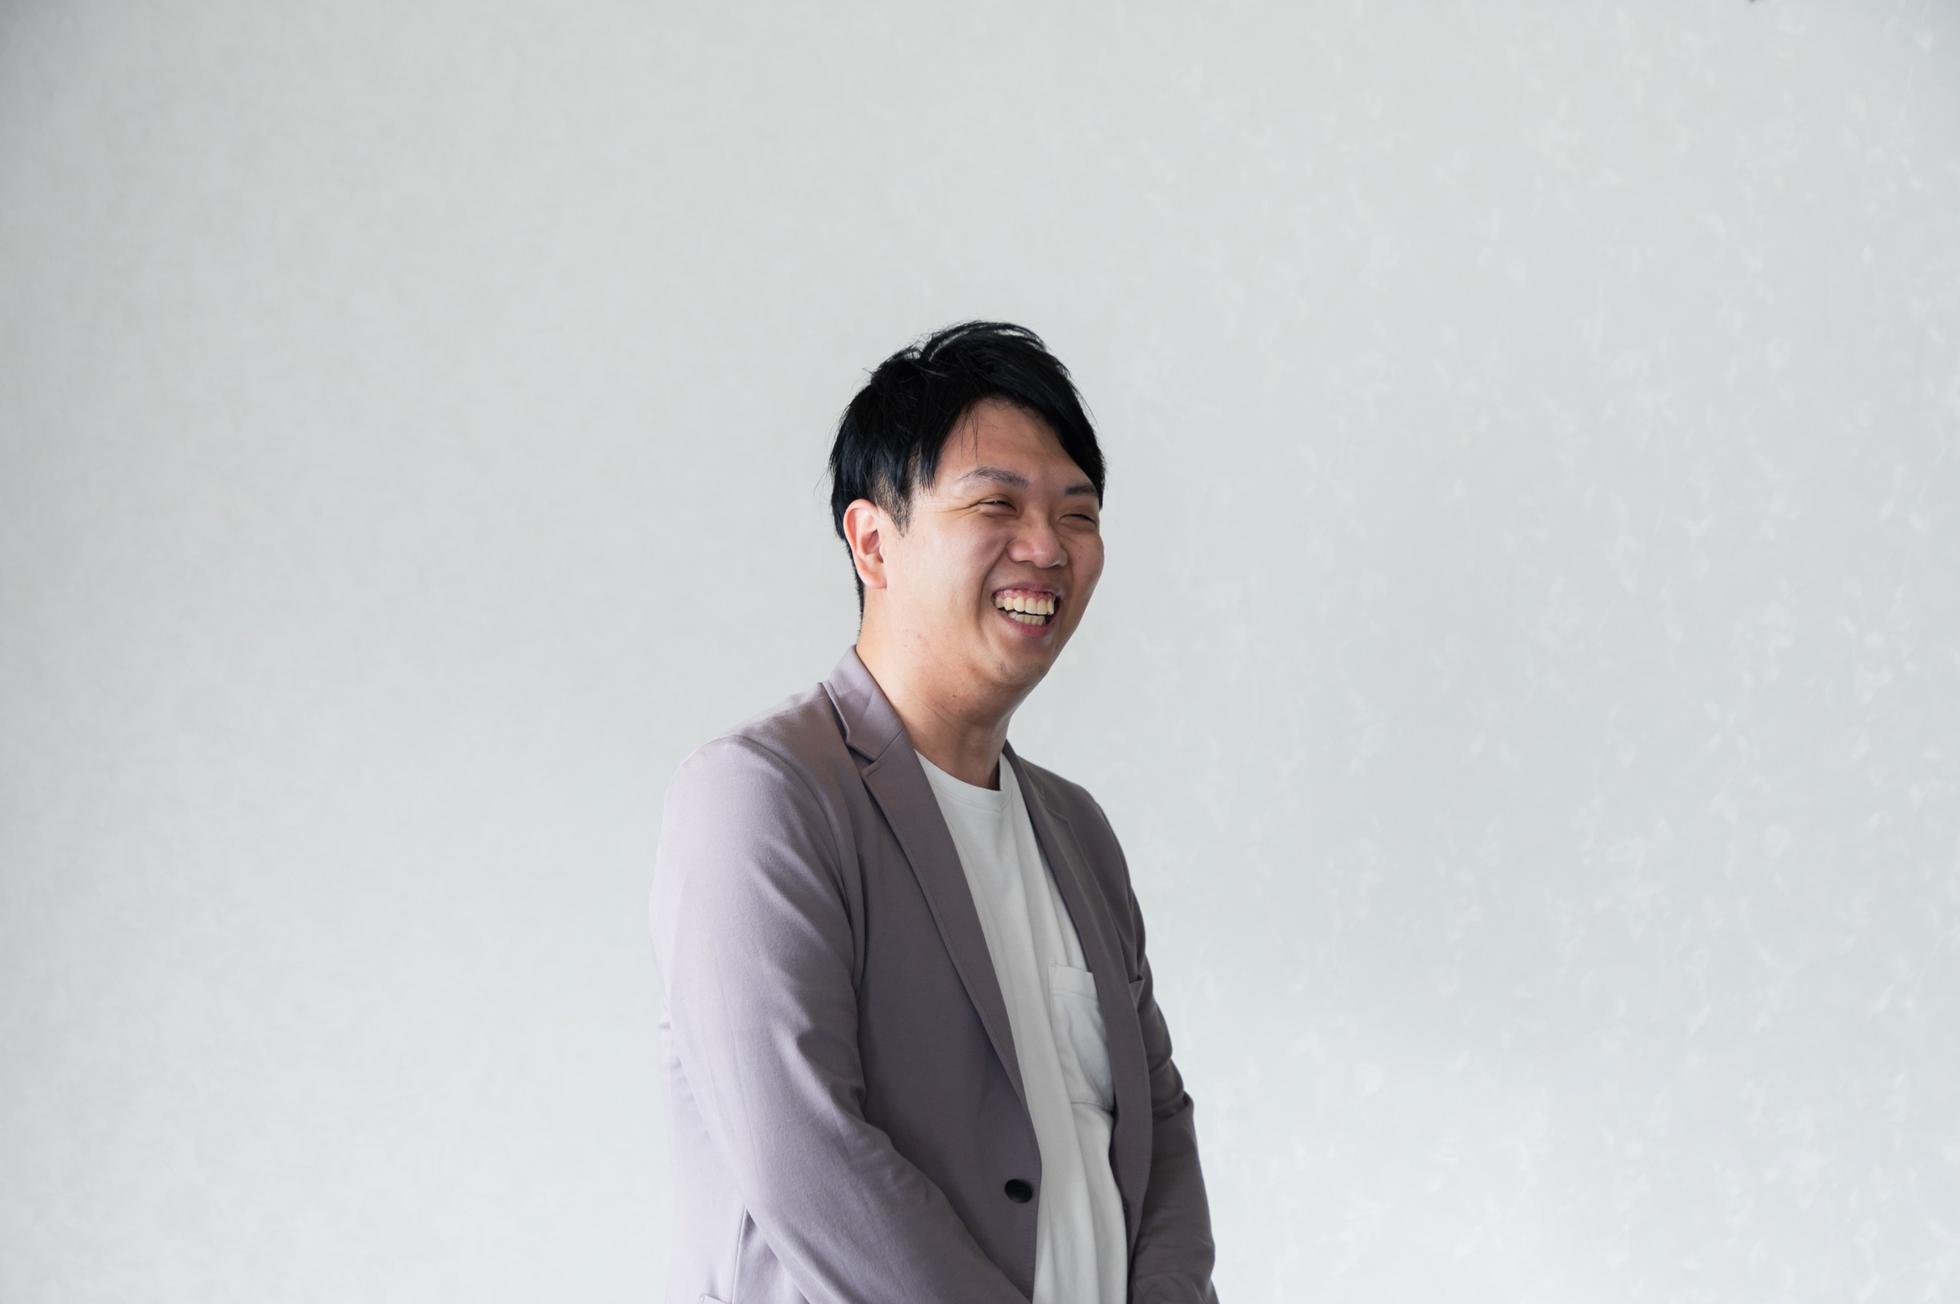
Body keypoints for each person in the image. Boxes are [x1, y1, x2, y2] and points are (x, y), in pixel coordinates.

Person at [648, 320, 1218, 1304]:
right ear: (874, 541)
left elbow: (1156, 1128)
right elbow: (808, 1161)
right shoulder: (763, 797)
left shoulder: (1076, 831)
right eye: (997, 503)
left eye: (1077, 513)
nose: (1046, 547)